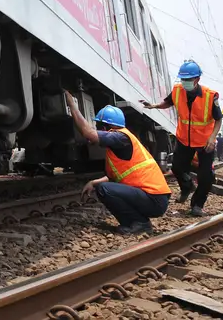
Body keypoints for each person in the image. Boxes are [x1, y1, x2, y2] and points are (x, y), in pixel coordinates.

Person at [64, 92, 171, 234]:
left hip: (153, 199)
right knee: (102, 186)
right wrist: (93, 182)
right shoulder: (119, 144)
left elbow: (88, 133)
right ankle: (138, 222)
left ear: (107, 127)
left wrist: (72, 105)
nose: (98, 129)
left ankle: (139, 223)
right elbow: (114, 176)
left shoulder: (121, 137)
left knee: (105, 189)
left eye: (99, 126)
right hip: (154, 198)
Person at [141, 60, 221, 217]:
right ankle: (187, 187)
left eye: (188, 80)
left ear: (197, 79)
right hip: (185, 139)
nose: (184, 83)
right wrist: (154, 106)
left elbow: (219, 119)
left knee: (206, 176)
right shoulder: (177, 90)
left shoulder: (211, 96)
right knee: (177, 168)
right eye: (183, 79)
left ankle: (197, 205)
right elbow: (168, 102)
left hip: (205, 143)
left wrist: (212, 138)